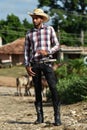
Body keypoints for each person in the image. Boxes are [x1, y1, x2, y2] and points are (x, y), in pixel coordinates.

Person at [24, 8, 62, 126]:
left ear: (42, 19)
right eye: (33, 18)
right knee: (37, 90)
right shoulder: (29, 33)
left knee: (53, 88)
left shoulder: (49, 29)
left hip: (47, 63)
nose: (34, 20)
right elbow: (26, 51)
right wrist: (27, 65)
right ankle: (40, 117)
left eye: (36, 18)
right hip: (35, 64)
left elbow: (57, 45)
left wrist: (48, 51)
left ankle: (57, 117)